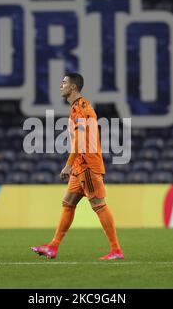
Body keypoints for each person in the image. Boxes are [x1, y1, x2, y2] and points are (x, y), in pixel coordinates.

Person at [31, 73, 124, 260]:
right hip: (80, 165)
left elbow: (81, 141)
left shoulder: (81, 108)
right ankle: (53, 246)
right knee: (68, 203)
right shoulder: (75, 108)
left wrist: (68, 165)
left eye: (64, 83)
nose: (61, 86)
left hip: (87, 164)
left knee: (98, 205)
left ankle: (116, 250)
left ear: (73, 87)